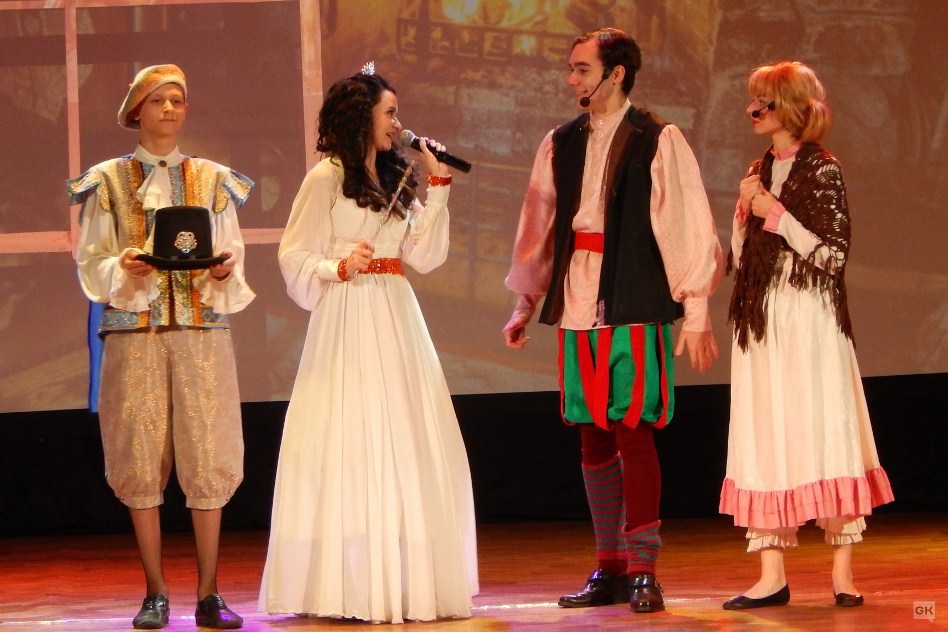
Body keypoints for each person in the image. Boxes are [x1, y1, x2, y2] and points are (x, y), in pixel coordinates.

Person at [503, 28, 723, 614]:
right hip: (578, 298)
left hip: (633, 299)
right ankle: (610, 566)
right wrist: (526, 301)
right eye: (571, 68)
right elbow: (539, 225)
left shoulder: (657, 138)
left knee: (633, 426)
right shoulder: (560, 142)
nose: (571, 78)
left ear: (616, 73)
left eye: (582, 68)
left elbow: (684, 224)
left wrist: (696, 310)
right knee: (591, 431)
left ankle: (644, 568)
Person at [258, 65, 479, 624]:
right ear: (362, 117)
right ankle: (347, 583)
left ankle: (404, 579)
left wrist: (439, 186)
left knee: (405, 432)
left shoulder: (395, 176)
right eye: (389, 113)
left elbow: (424, 255)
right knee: (349, 436)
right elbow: (292, 254)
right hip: (348, 314)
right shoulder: (325, 178)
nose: (397, 124)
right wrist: (337, 264)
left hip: (395, 312)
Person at [68, 64, 254, 630]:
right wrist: (121, 266)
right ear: (137, 111)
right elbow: (91, 259)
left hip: (201, 331)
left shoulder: (212, 178)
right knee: (138, 454)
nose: (170, 109)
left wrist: (222, 271)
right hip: (135, 332)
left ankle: (209, 592)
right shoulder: (107, 181)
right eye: (158, 100)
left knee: (209, 452)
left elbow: (231, 250)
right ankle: (155, 591)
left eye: (177, 99)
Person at [718, 61, 895, 610]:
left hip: (809, 317)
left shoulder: (822, 170)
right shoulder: (758, 168)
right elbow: (741, 261)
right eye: (753, 101)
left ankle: (842, 572)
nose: (752, 110)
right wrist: (743, 219)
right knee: (765, 430)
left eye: (763, 103)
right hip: (763, 321)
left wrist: (775, 213)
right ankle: (771, 574)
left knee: (823, 425)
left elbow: (832, 256)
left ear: (791, 109)